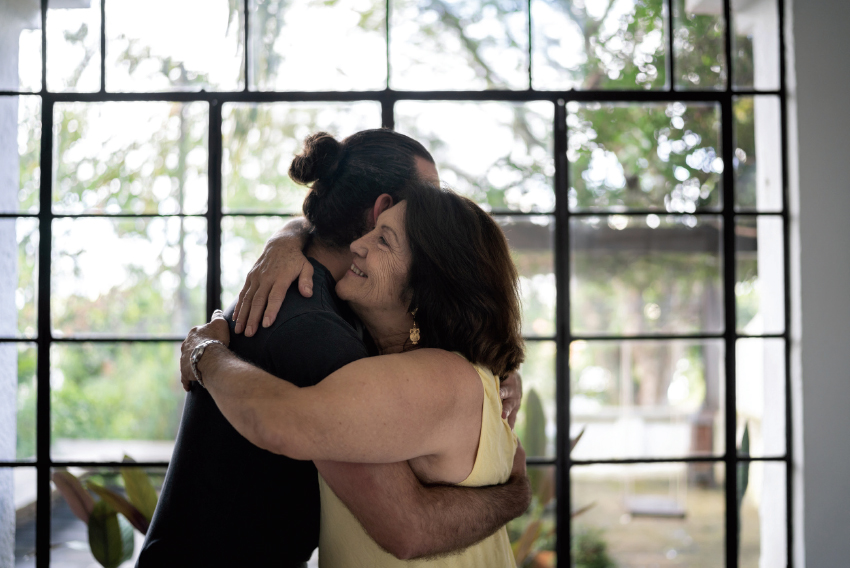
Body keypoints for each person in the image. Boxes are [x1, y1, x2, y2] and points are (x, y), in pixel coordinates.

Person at [138, 130, 529, 568]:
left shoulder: (352, 319)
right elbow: (407, 524)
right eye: (427, 196)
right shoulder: (315, 328)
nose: (434, 209)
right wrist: (202, 351)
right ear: (383, 208)